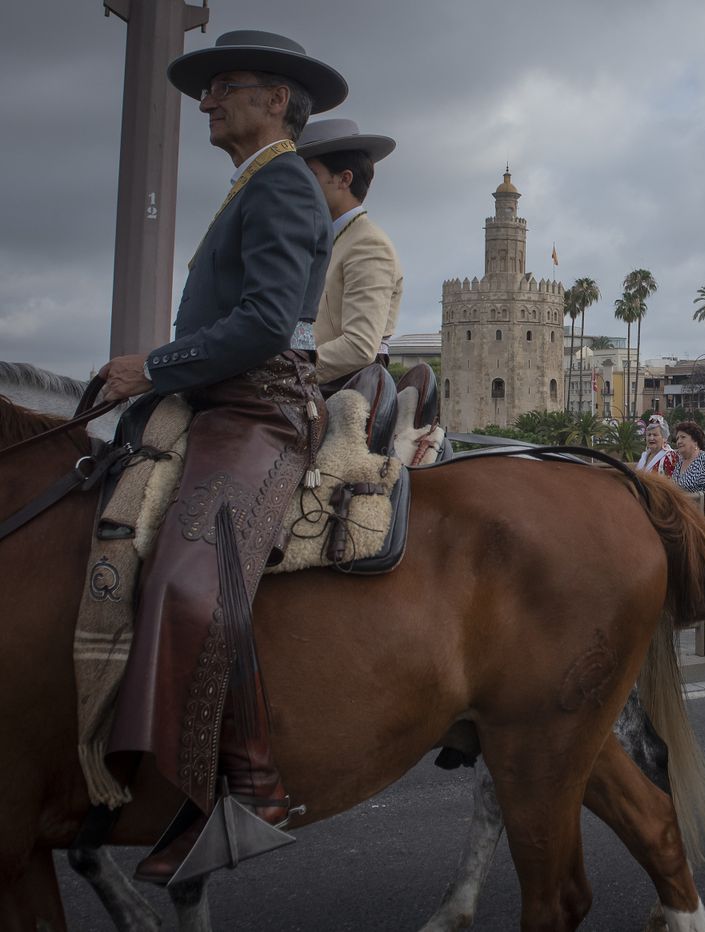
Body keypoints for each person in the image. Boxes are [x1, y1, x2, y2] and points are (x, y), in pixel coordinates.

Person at [96, 30, 346, 883]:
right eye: (207, 90)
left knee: (187, 575)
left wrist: (154, 365)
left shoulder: (283, 181)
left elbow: (267, 323)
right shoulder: (256, 181)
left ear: (275, 100)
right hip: (218, 398)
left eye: (224, 85)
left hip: (260, 407)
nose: (205, 101)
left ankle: (249, 785)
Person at [297, 118, 404, 389]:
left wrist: (286, 372)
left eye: (310, 175)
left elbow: (359, 345)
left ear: (344, 179)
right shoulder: (326, 240)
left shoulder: (368, 244)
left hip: (338, 387)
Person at [672, 420, 705, 494]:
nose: (679, 441)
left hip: (702, 501)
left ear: (695, 441)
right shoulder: (680, 462)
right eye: (677, 438)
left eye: (683, 437)